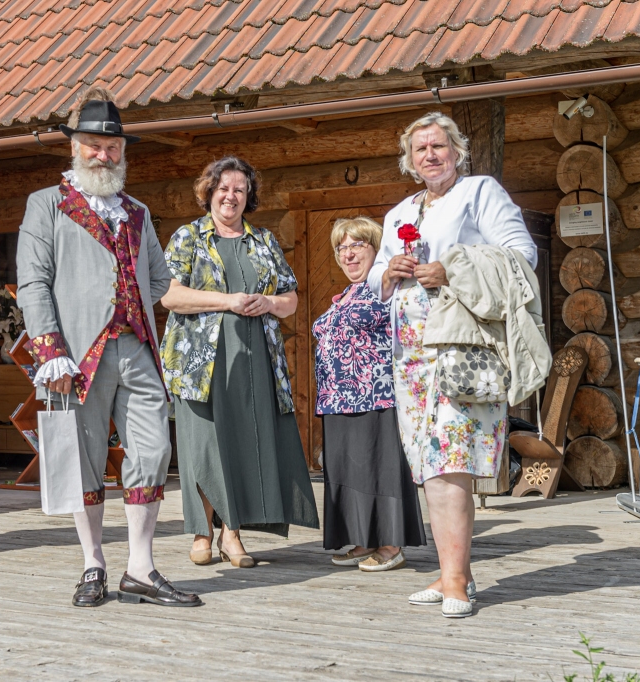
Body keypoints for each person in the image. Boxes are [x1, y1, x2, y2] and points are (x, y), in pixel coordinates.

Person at [17, 87, 200, 607]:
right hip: (77, 353)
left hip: (138, 347)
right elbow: (32, 282)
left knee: (152, 451)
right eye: (94, 145)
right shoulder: (47, 204)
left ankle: (139, 567)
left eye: (112, 146)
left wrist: (229, 301)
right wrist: (49, 349)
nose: (104, 154)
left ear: (123, 151)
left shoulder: (137, 211)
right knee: (84, 457)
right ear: (74, 146)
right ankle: (93, 563)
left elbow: (162, 283)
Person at [367, 112, 538, 618]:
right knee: (428, 463)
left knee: (450, 460)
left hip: (457, 347)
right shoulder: (400, 208)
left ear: (458, 151)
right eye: (420, 149)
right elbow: (376, 275)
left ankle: (459, 579)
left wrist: (453, 268)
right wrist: (389, 272)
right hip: (410, 356)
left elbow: (520, 254)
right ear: (409, 159)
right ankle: (447, 572)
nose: (430, 155)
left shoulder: (480, 192)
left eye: (439, 145)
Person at [161, 156, 318, 569]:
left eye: (240, 190)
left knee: (245, 442)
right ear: (209, 192)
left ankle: (233, 533)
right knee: (203, 446)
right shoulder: (188, 237)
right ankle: (201, 532)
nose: (231, 196)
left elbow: (292, 300)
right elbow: (170, 295)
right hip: (199, 363)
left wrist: (268, 302)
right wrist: (227, 301)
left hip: (255, 360)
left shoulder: (263, 240)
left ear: (249, 197)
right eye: (224, 188)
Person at [312, 217, 426, 571]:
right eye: (341, 248)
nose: (348, 254)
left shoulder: (381, 285)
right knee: (351, 472)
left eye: (357, 245)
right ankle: (364, 539)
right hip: (337, 399)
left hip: (374, 395)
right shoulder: (345, 294)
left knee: (378, 470)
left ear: (376, 249)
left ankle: (391, 545)